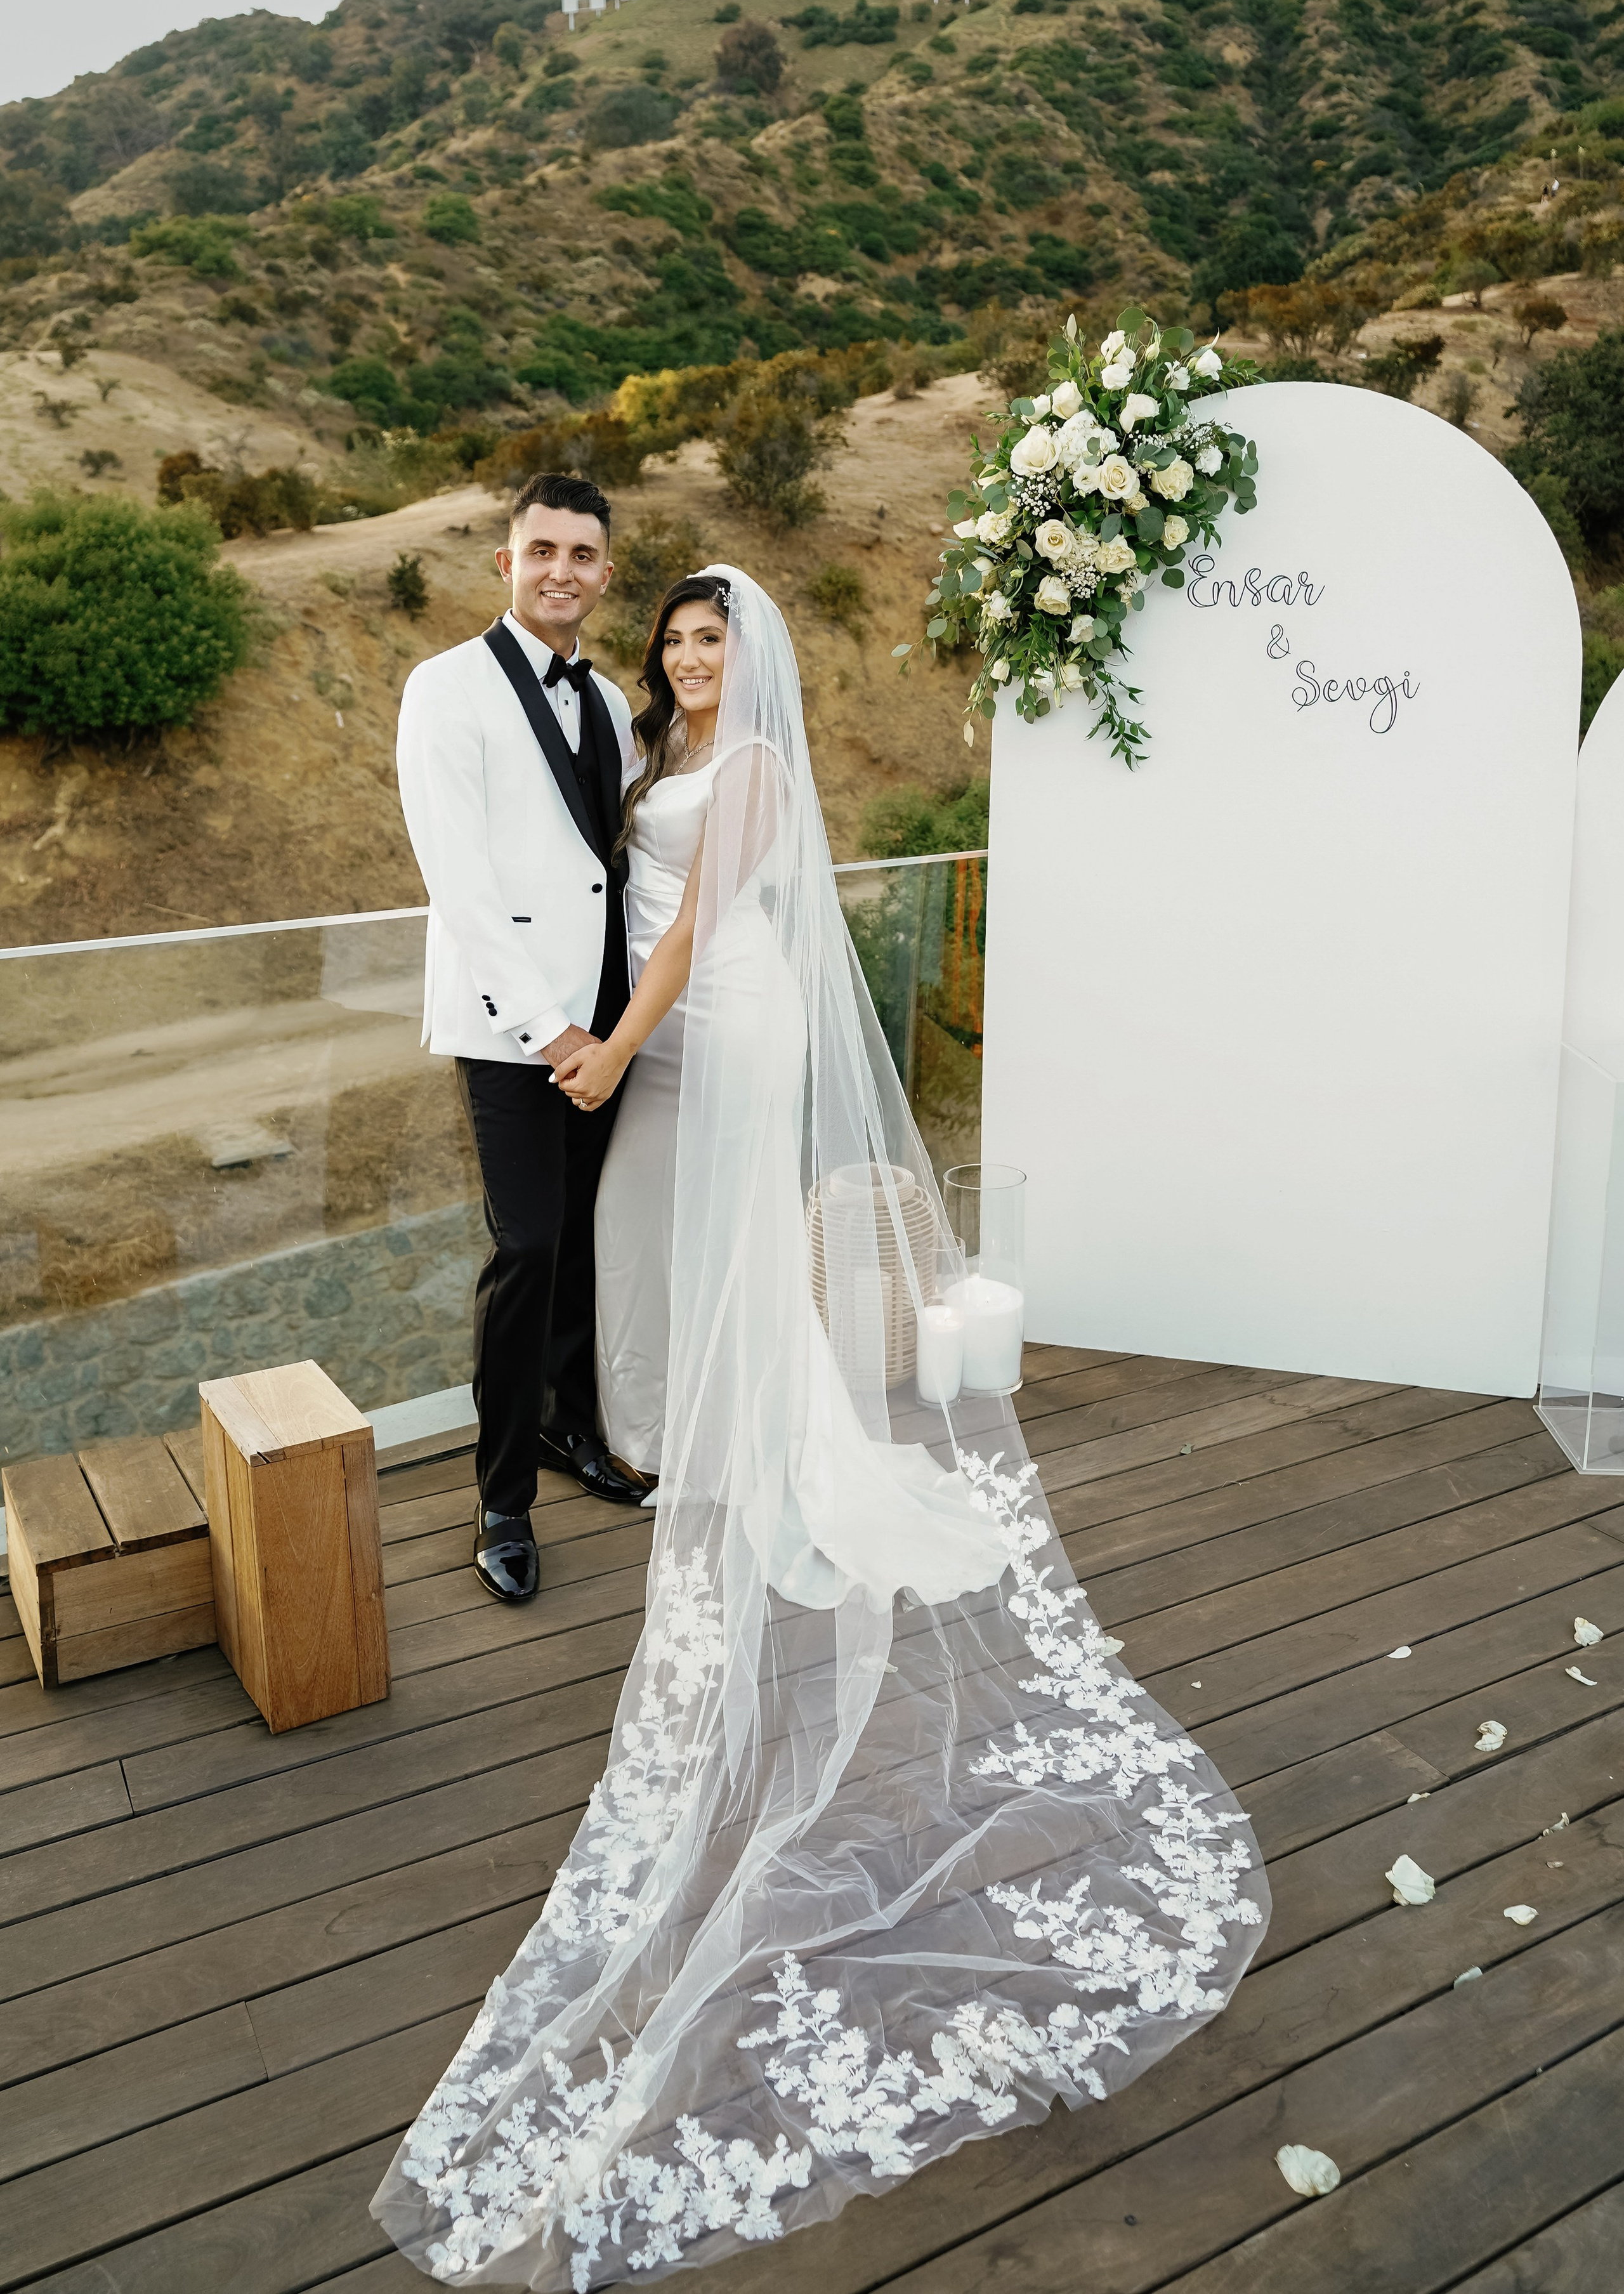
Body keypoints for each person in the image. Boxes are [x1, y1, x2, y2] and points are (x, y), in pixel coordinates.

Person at [374, 566, 1268, 2288]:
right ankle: (682, 1430)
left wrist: (618, 1044)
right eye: (678, 640)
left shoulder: (757, 764)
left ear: (750, 655)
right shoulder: (646, 745)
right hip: (662, 1031)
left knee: (715, 1241)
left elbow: (700, 920)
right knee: (659, 1249)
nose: (690, 657)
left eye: (713, 640)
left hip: (731, 1019)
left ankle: (767, 1455)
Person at [395, 470, 652, 1613]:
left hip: (608, 1021)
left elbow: (618, 869)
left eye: (582, 554)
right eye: (541, 548)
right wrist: (554, 1035)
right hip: (516, 1032)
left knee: (589, 1240)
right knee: (529, 1246)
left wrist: (622, 1023)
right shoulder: (444, 688)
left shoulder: (608, 704)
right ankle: (502, 1497)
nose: (561, 570)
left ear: (604, 572)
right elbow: (463, 885)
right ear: (506, 560)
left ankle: (569, 1427)